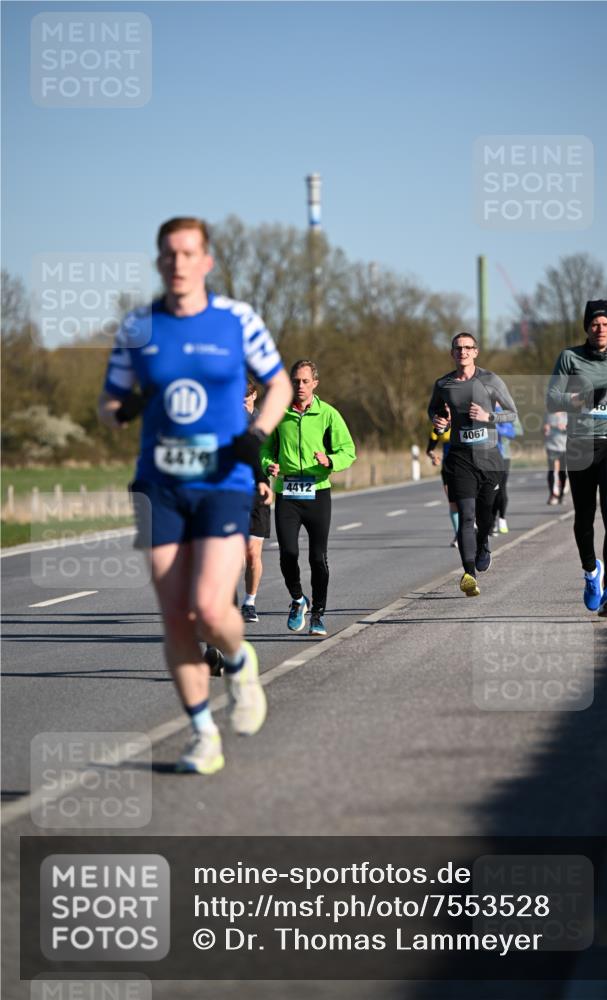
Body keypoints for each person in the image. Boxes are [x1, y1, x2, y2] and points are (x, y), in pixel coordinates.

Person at [98, 217, 292, 775]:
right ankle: (203, 734)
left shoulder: (237, 320)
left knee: (210, 608)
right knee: (177, 618)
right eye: (169, 254)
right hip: (159, 486)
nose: (178, 263)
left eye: (189, 254)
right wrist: (125, 408)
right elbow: (107, 402)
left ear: (206, 261)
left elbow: (276, 382)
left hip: (224, 481)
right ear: (159, 261)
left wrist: (255, 435)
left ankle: (238, 658)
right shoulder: (138, 326)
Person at [546, 299, 607, 617]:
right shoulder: (570, 358)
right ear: (586, 327)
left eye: (604, 323)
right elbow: (551, 399)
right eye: (594, 323)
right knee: (584, 517)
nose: (599, 328)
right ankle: (592, 573)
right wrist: (585, 398)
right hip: (579, 444)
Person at [261, 359, 356, 637]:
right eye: (295, 381)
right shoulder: (278, 414)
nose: (300, 386)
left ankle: (318, 614)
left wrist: (330, 461)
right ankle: (298, 598)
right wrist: (269, 464)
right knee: (288, 552)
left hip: (318, 491)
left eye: (305, 381)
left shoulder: (328, 415)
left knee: (318, 558)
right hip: (287, 492)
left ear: (315, 383)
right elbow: (264, 448)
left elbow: (348, 451)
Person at [428, 332, 518, 597]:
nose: (463, 352)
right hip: (460, 457)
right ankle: (469, 574)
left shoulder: (490, 380)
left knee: (484, 516)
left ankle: (483, 543)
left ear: (475, 352)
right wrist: (438, 420)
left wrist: (489, 416)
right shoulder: (443, 384)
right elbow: (432, 409)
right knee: (466, 515)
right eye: (458, 348)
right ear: (452, 353)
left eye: (468, 348)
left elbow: (512, 413)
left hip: (489, 456)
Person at [240, 378, 273, 621]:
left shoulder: (266, 423)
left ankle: (249, 602)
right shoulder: (227, 422)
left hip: (258, 493)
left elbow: (275, 451)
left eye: (246, 395)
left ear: (254, 396)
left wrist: (273, 466)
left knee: (253, 553)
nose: (242, 401)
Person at [491, 403, 522, 534]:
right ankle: (491, 522)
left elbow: (517, 431)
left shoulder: (507, 411)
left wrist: (498, 427)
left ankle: (502, 518)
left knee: (501, 489)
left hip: (504, 456)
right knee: (489, 490)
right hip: (487, 456)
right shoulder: (482, 408)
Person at [426, 426, 459, 546]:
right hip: (447, 468)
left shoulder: (462, 419)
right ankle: (458, 535)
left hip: (464, 467)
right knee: (453, 502)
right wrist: (434, 457)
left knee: (467, 501)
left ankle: (472, 526)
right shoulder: (438, 425)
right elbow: (429, 449)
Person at [543, 411, 569, 505]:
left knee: (562, 471)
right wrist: (545, 429)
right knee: (551, 470)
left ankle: (561, 495)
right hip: (551, 446)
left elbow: (573, 429)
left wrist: (565, 428)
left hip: (564, 447)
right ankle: (552, 495)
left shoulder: (566, 415)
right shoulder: (548, 414)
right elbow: (543, 429)